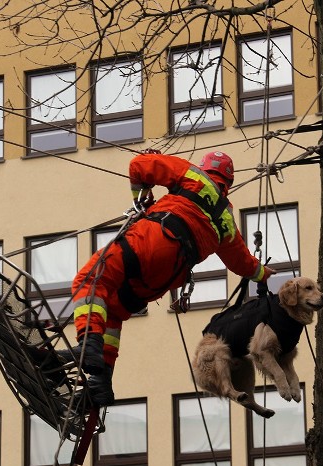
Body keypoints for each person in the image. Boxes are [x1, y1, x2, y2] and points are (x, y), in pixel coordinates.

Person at [69, 150, 275, 407]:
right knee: (113, 310)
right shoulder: (227, 222)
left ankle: (89, 344)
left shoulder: (193, 175)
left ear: (206, 168)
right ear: (228, 184)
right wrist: (265, 274)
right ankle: (100, 383)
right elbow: (243, 264)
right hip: (168, 276)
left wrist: (142, 199)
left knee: (89, 281)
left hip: (153, 241)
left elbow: (138, 166)